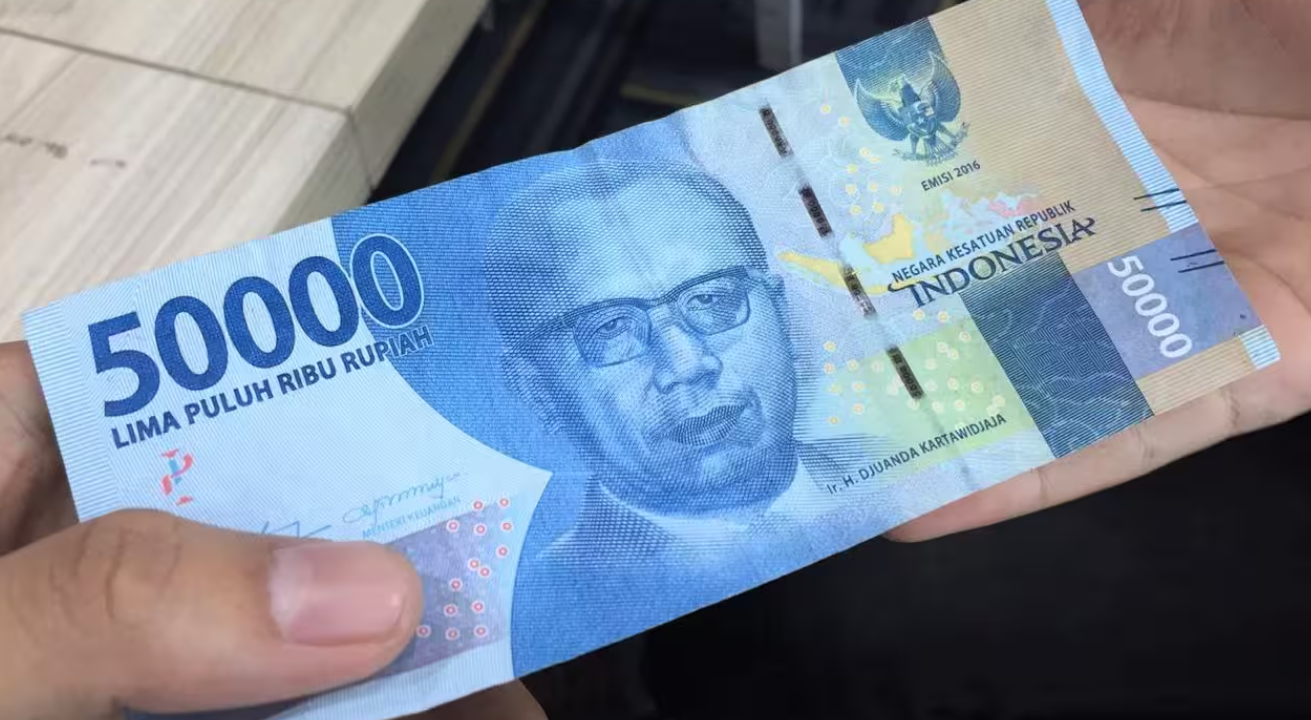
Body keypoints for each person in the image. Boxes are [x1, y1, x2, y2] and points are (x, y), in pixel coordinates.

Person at [0, 1, 1306, 716]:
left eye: (714, 304)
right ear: (534, 384)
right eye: (614, 332)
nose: (687, 364)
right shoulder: (539, 581)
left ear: (777, 305)